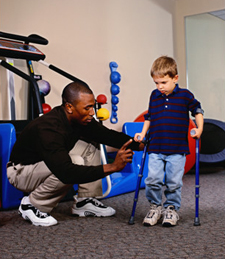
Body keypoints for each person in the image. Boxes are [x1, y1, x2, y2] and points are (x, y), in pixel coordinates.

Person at [7, 81, 144, 227]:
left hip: (45, 162)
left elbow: (106, 135)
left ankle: (84, 201)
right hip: (21, 171)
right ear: (69, 107)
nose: (92, 112)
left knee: (92, 143)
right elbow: (66, 173)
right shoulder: (49, 128)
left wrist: (141, 144)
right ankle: (32, 205)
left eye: (93, 106)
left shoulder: (80, 118)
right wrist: (112, 167)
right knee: (75, 162)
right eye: (88, 108)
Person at [134, 56, 204, 227]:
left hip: (177, 149)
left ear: (175, 78)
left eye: (163, 82)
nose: (160, 87)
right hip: (156, 146)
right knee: (152, 180)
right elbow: (149, 117)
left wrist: (200, 129)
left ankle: (171, 208)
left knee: (173, 182)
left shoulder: (185, 95)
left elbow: (197, 110)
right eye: (156, 83)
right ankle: (155, 206)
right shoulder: (155, 96)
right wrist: (142, 134)